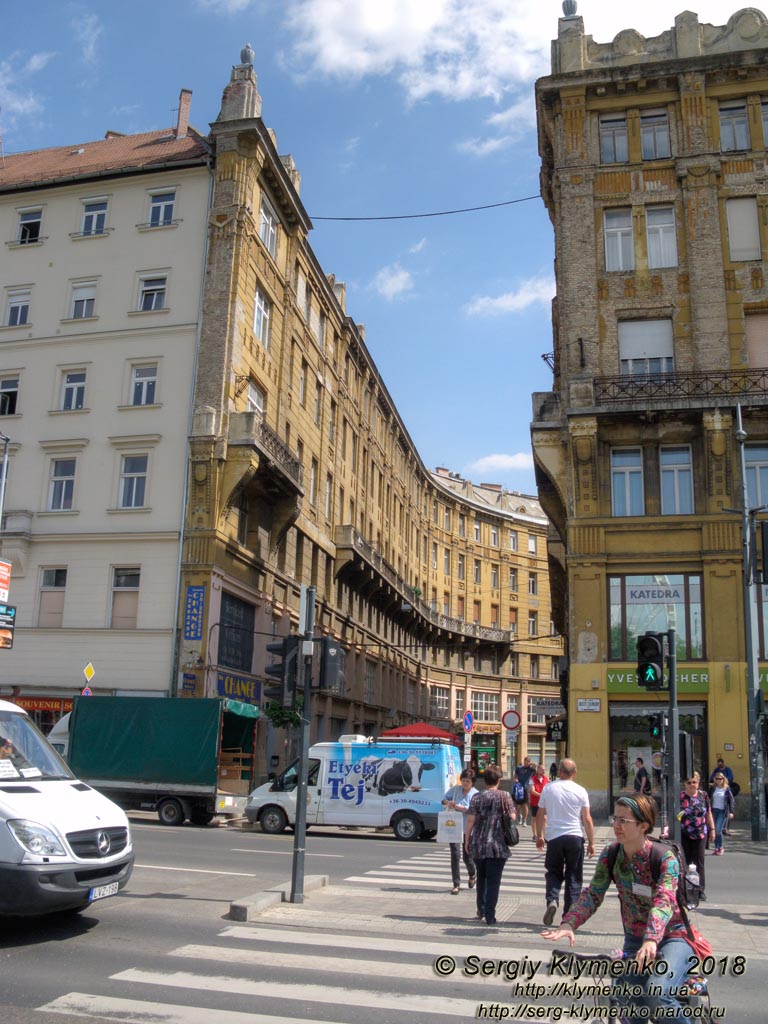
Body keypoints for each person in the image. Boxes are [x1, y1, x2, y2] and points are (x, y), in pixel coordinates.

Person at [541, 795, 695, 1021]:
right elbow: (593, 893)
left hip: (674, 937)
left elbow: (663, 901)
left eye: (624, 821)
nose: (616, 825)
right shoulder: (611, 854)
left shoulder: (664, 858)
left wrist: (651, 938)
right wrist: (569, 922)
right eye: (615, 818)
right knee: (631, 1006)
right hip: (634, 939)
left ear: (643, 826)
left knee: (657, 994)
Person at [535, 758, 595, 925]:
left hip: (554, 837)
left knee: (553, 871)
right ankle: (569, 915)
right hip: (575, 837)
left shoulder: (548, 788)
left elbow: (540, 814)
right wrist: (591, 842)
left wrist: (540, 836)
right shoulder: (581, 791)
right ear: (574, 773)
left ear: (559, 772)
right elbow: (587, 819)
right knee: (574, 875)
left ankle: (552, 900)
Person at [464, 766, 516, 925]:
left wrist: (467, 840)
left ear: (484, 780)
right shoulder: (504, 796)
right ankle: (490, 915)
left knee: (481, 877)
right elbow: (512, 816)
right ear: (498, 780)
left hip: (479, 844)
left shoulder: (477, 798)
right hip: (498, 845)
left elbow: (470, 821)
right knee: (494, 881)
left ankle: (481, 908)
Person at [442, 768, 478, 895]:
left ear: (472, 782)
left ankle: (472, 874)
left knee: (467, 856)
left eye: (467, 781)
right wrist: (449, 802)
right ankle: (456, 884)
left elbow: (471, 810)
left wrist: (457, 806)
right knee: (455, 855)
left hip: (468, 829)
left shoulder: (475, 794)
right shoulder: (456, 789)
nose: (464, 783)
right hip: (454, 827)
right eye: (463, 780)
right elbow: (444, 799)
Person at [679, 776, 714, 900]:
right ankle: (685, 888)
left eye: (694, 782)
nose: (692, 784)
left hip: (700, 833)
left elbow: (708, 812)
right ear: (685, 784)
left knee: (699, 862)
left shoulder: (703, 795)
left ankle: (700, 890)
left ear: (698, 783)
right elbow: (675, 814)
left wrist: (713, 830)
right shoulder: (681, 797)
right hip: (685, 833)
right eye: (689, 782)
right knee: (685, 861)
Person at [710, 772, 735, 855]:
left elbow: (731, 801)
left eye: (720, 779)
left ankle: (720, 847)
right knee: (714, 829)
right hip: (714, 810)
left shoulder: (727, 789)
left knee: (718, 829)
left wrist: (731, 812)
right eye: (717, 779)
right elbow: (709, 798)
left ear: (723, 779)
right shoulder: (713, 788)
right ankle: (716, 848)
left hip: (722, 811)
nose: (718, 780)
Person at [528, 763, 549, 842]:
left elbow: (548, 789)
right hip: (535, 802)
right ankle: (535, 835)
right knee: (535, 818)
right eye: (542, 769)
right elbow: (532, 791)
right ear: (538, 770)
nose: (544, 771)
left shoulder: (546, 779)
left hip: (544, 802)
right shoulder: (532, 779)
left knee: (544, 818)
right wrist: (541, 795)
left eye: (544, 769)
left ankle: (545, 835)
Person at [514, 756, 535, 826]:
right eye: (525, 761)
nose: (526, 763)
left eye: (528, 761)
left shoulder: (530, 769)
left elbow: (535, 765)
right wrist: (516, 779)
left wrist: (531, 763)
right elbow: (516, 774)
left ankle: (525, 820)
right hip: (519, 788)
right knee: (518, 806)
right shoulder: (519, 768)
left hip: (526, 788)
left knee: (525, 805)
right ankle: (520, 816)